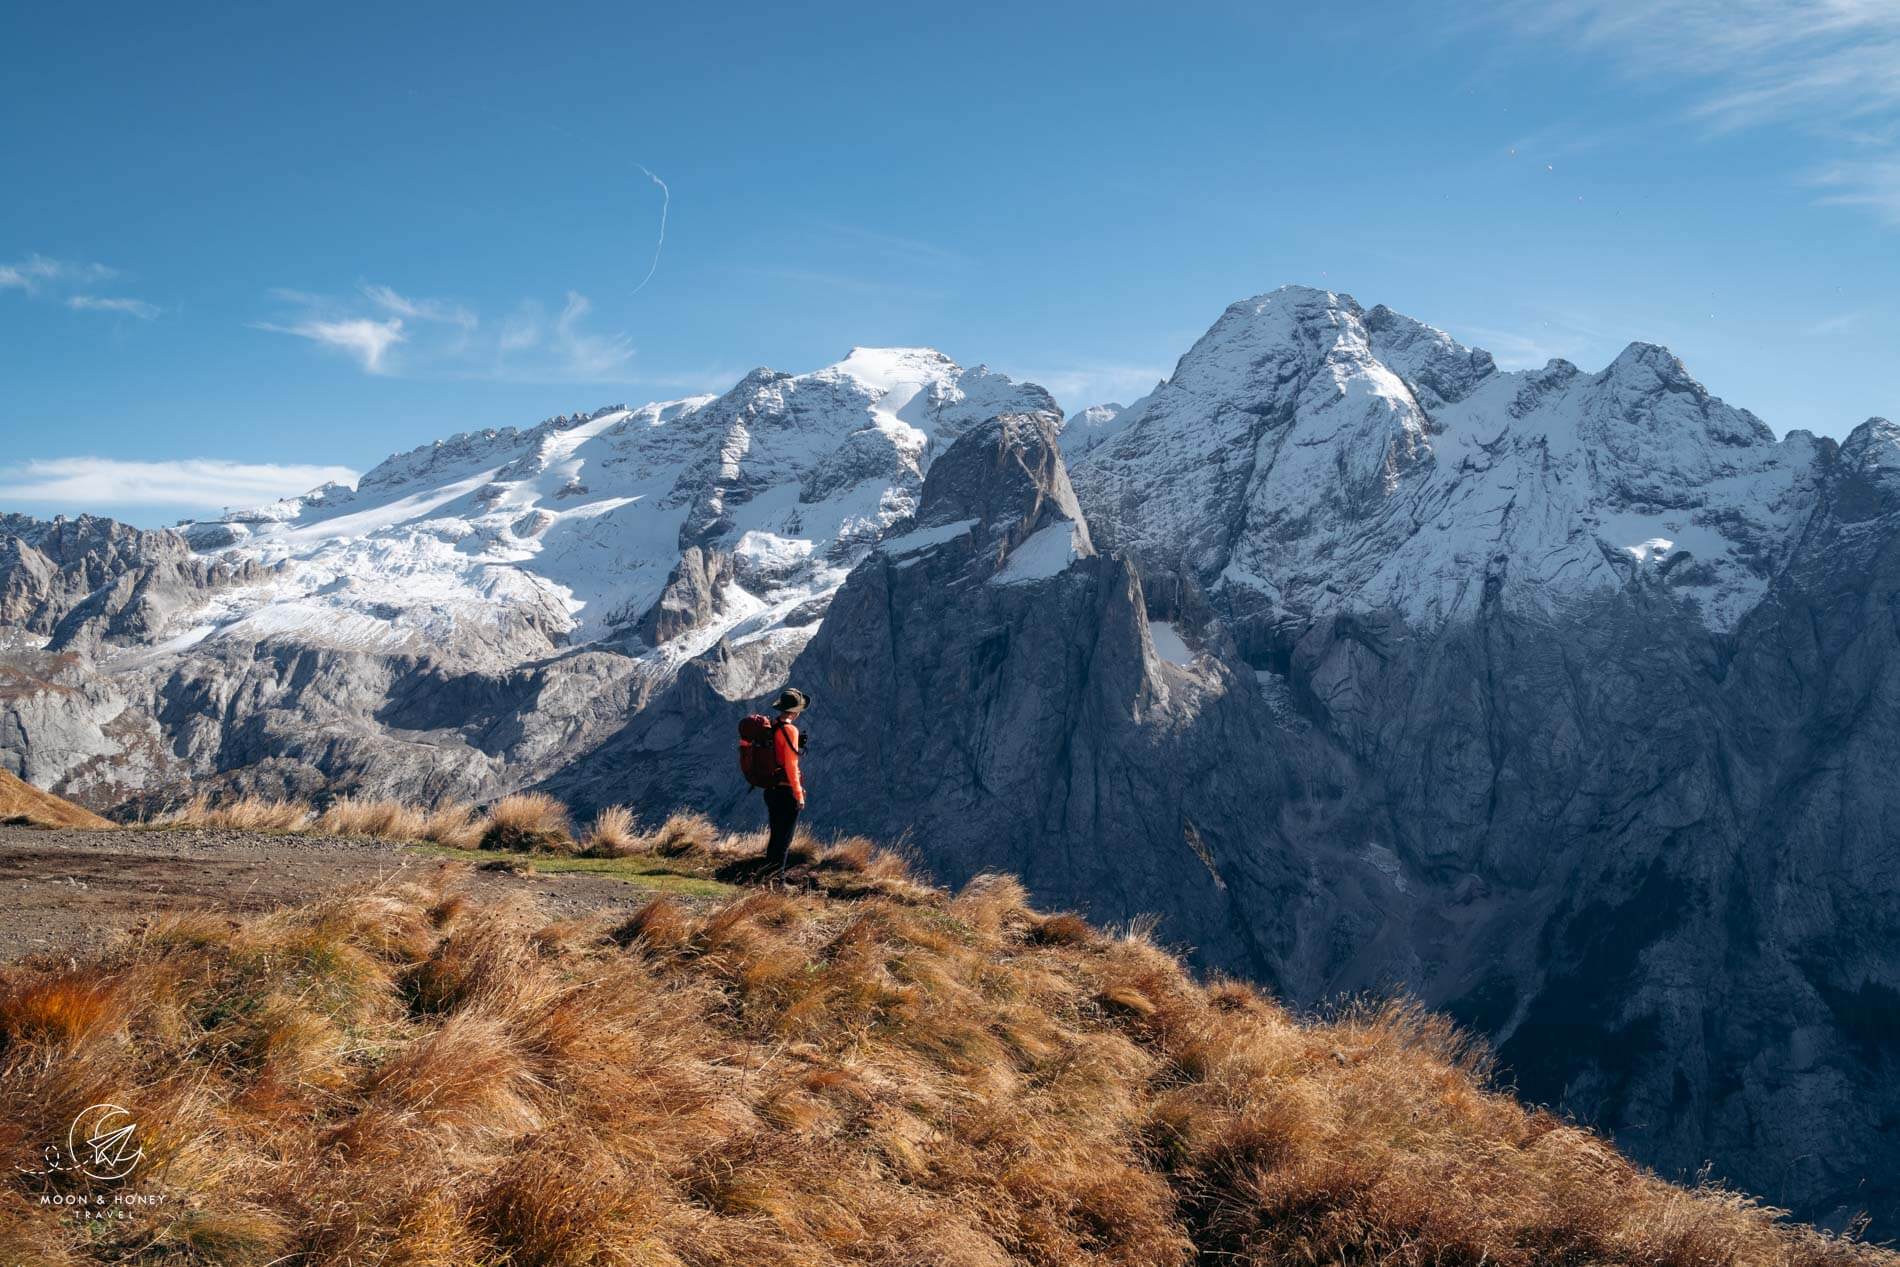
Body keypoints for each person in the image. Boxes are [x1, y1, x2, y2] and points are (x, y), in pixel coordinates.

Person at [760, 687, 808, 881]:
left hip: (771, 790)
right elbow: (791, 765)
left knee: (776, 836)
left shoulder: (773, 727)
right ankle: (776, 882)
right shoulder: (790, 730)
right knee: (784, 839)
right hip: (785, 791)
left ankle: (767, 878)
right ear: (795, 711)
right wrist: (799, 794)